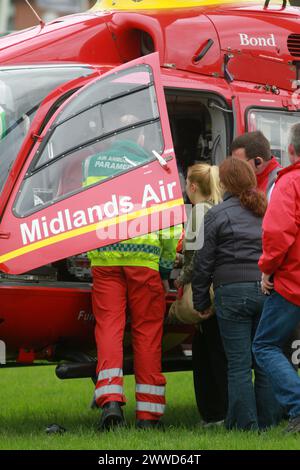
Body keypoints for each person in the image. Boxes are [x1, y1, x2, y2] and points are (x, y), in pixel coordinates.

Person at [85, 115, 180, 430]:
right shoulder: (157, 167)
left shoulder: (92, 165)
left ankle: (111, 402)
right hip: (145, 261)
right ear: (141, 137)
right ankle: (149, 415)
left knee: (109, 328)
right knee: (147, 332)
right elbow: (171, 226)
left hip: (105, 258)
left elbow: (79, 211)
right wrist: (166, 265)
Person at [192, 157, 282, 431]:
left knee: (239, 364)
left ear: (224, 183)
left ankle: (244, 425)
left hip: (231, 294)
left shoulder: (216, 215)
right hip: (266, 291)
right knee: (264, 359)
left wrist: (201, 302)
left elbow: (202, 263)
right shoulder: (265, 211)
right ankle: (267, 421)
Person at [169, 163, 228, 426]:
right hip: (224, 291)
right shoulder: (218, 209)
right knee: (220, 352)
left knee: (206, 357)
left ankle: (214, 413)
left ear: (193, 186)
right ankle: (224, 410)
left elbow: (197, 260)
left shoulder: (196, 214)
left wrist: (179, 279)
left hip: (204, 293)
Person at [253, 123, 300, 434]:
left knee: (265, 345)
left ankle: (298, 405)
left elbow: (276, 232)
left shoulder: (288, 183)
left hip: (292, 282)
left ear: (291, 150)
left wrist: (266, 268)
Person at [231, 130, 282, 200]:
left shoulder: (279, 183)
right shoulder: (244, 180)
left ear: (258, 162)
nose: (235, 168)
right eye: (233, 162)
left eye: (240, 164)